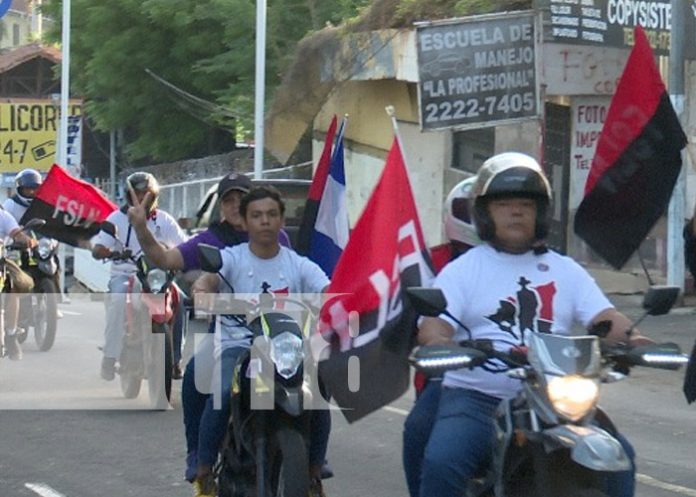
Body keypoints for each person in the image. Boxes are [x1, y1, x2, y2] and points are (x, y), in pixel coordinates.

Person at [415, 152, 650, 497]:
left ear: (540, 213)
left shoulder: (565, 269)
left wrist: (634, 339)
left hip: (556, 398)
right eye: (505, 204)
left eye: (525, 204)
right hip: (479, 397)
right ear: (485, 213)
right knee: (443, 461)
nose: (516, 212)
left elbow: (605, 318)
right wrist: (443, 345)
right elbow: (435, 326)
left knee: (620, 457)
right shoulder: (464, 269)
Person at [187, 186, 330, 497]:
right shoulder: (231, 259)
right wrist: (203, 292)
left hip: (286, 349)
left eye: (271, 215)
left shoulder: (298, 264)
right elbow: (207, 280)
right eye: (257, 215)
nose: (264, 221)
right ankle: (204, 469)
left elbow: (328, 289)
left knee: (320, 387)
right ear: (245, 222)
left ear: (281, 220)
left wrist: (341, 305)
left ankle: (315, 470)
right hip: (238, 347)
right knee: (222, 390)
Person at [403, 176, 480, 497]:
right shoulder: (432, 263)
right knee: (419, 430)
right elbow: (414, 317)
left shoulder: (547, 262)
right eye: (474, 209)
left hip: (531, 374)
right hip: (449, 373)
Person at [91, 172, 187, 381]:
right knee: (118, 299)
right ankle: (110, 357)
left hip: (157, 276)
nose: (142, 199)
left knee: (181, 300)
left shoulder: (164, 220)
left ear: (154, 197)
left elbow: (183, 245)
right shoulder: (116, 219)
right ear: (128, 196)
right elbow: (98, 248)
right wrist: (111, 252)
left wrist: (186, 258)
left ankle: (175, 359)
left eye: (146, 195)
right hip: (126, 274)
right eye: (137, 194)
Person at [0, 208, 37, 360]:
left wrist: (27, 240)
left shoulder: (3, 216)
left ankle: (11, 334)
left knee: (13, 288)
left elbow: (17, 233)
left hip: (0, 264)